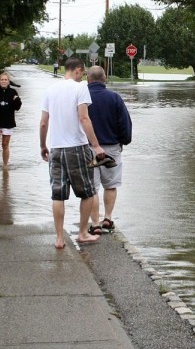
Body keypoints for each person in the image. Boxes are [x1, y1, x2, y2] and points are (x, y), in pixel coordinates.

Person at [39, 58, 107, 249]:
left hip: (56, 149)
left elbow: (44, 122)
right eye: (83, 72)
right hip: (77, 148)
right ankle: (83, 233)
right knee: (87, 192)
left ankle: (59, 238)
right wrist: (96, 146)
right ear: (77, 70)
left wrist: (43, 145)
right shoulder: (80, 88)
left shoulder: (50, 90)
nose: (83, 75)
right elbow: (84, 118)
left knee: (58, 195)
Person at [84, 65, 132, 235]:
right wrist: (124, 141)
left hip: (88, 148)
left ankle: (95, 223)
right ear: (105, 79)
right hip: (112, 148)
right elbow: (125, 124)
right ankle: (108, 218)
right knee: (111, 185)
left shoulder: (82, 98)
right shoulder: (115, 98)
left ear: (87, 79)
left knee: (92, 188)